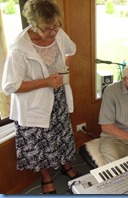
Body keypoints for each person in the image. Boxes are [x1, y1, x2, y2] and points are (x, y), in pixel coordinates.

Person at [1, 0, 80, 194]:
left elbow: (72, 49)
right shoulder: (19, 49)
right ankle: (46, 177)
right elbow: (9, 86)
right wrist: (45, 82)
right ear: (33, 25)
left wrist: (63, 69)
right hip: (33, 104)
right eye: (47, 29)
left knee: (62, 135)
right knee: (40, 143)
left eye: (55, 25)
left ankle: (65, 165)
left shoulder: (58, 33)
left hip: (58, 98)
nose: (53, 32)